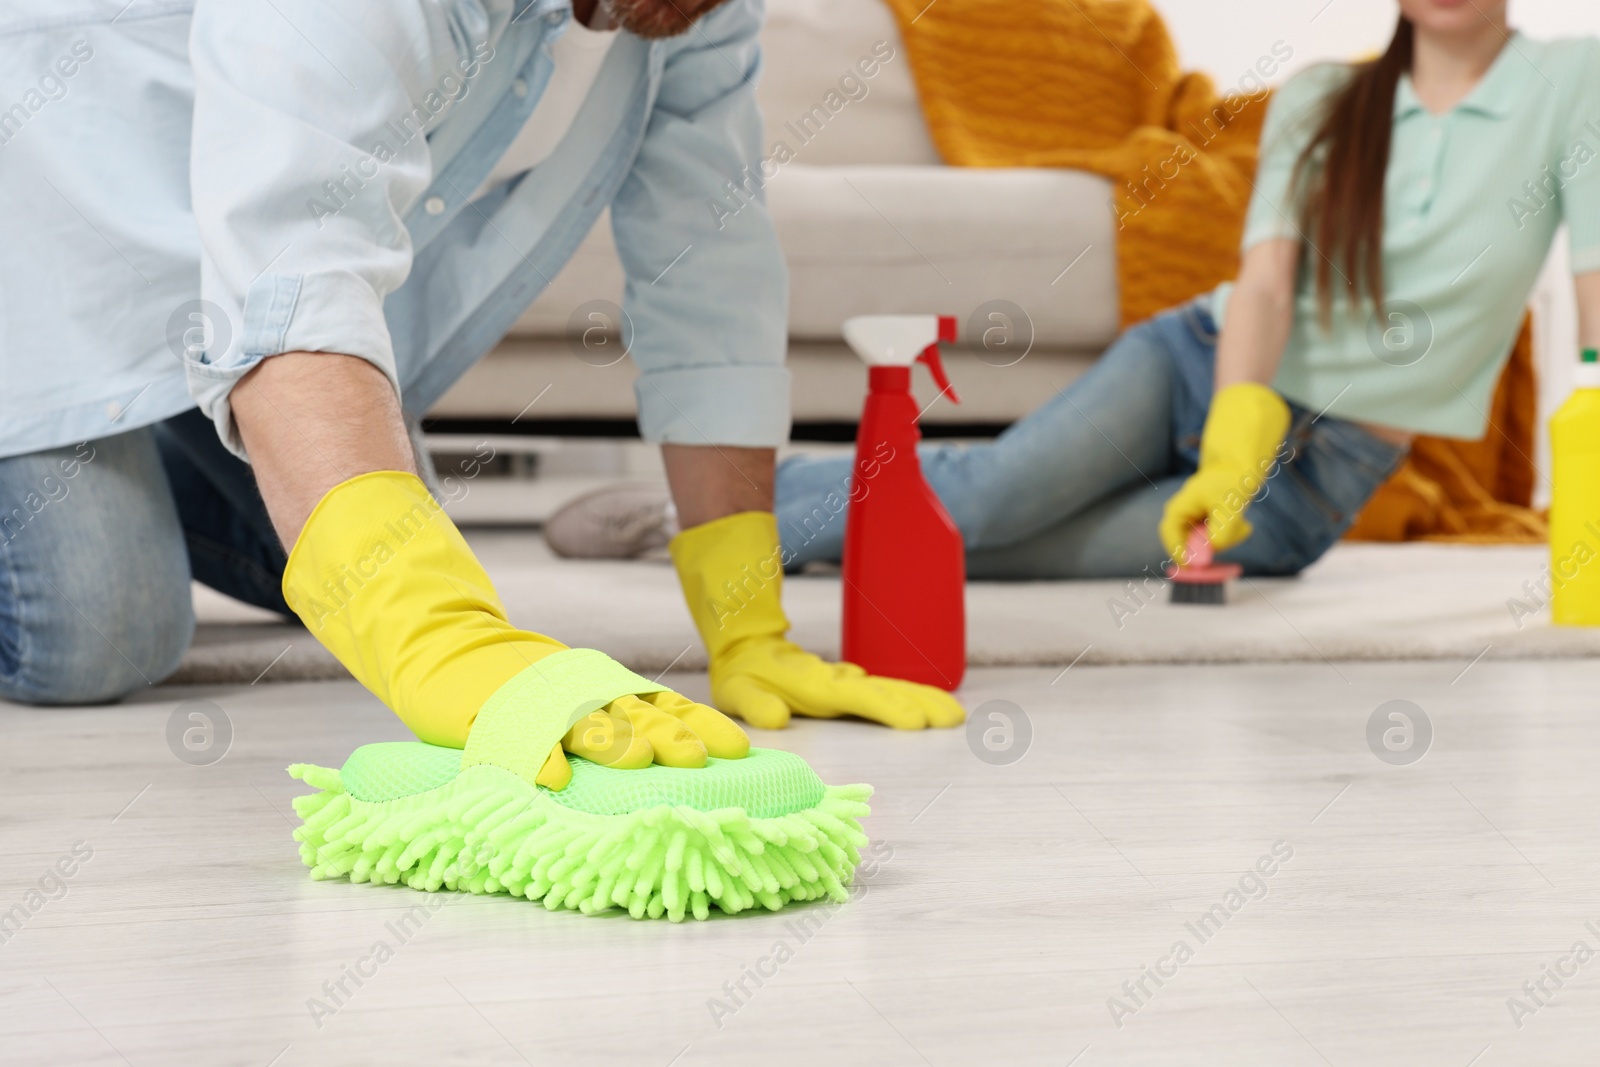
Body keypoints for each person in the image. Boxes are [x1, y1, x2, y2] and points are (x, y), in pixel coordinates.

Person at [0, 0, 963, 785]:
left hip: (213, 257)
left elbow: (706, 264)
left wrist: (746, 611)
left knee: (330, 570)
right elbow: (295, 264)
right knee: (101, 633)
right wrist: (439, 639)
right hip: (52, 226)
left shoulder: (694, 9)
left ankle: (195, 427)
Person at [553, 0, 1600, 588]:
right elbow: (1270, 277)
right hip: (1199, 359)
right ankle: (696, 515)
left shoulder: (1570, 89)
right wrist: (1240, 412)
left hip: (1315, 483)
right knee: (989, 495)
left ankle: (780, 521)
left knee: (994, 553)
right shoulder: (1330, 100)